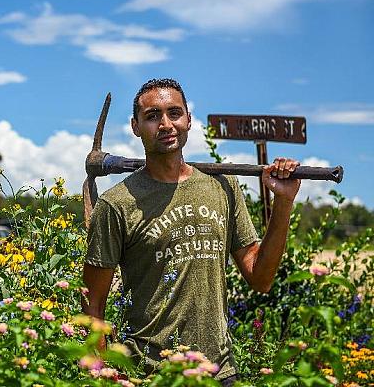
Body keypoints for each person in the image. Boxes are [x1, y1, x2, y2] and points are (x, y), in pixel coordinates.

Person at [82, 78, 301, 384]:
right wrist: (101, 374)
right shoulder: (116, 204)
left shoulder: (223, 186)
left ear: (188, 119)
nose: (165, 124)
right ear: (135, 126)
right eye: (152, 116)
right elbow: (92, 303)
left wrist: (283, 202)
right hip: (149, 375)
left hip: (219, 373)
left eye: (174, 113)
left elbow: (261, 278)